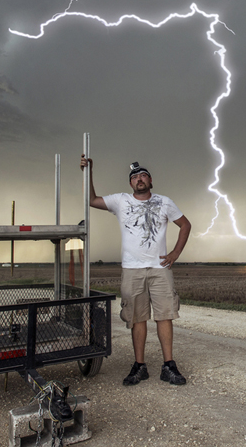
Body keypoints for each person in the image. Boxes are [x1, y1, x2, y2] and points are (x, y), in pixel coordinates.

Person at [80, 155, 191, 386]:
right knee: (137, 319)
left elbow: (185, 225)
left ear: (151, 180)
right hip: (132, 270)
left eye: (143, 176)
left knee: (165, 316)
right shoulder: (120, 201)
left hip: (160, 269)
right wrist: (89, 171)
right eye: (134, 177)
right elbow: (91, 200)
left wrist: (175, 254)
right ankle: (139, 366)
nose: (139, 179)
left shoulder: (165, 202)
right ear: (130, 184)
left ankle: (168, 365)